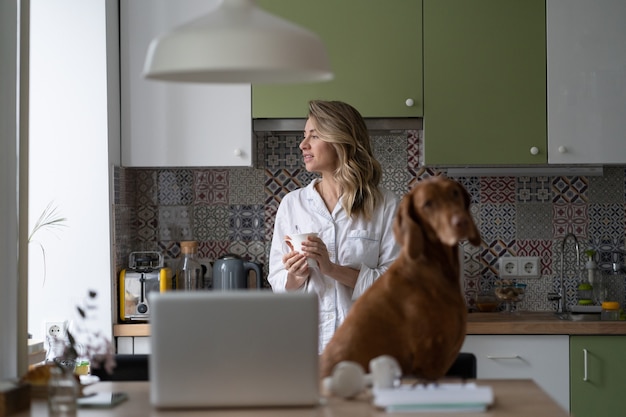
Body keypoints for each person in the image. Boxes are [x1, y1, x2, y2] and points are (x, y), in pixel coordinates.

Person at [267, 100, 401, 353]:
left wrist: (331, 269)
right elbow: (277, 281)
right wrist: (296, 275)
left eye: (314, 135)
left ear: (341, 140)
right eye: (304, 135)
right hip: (306, 345)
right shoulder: (292, 204)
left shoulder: (385, 205)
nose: (302, 144)